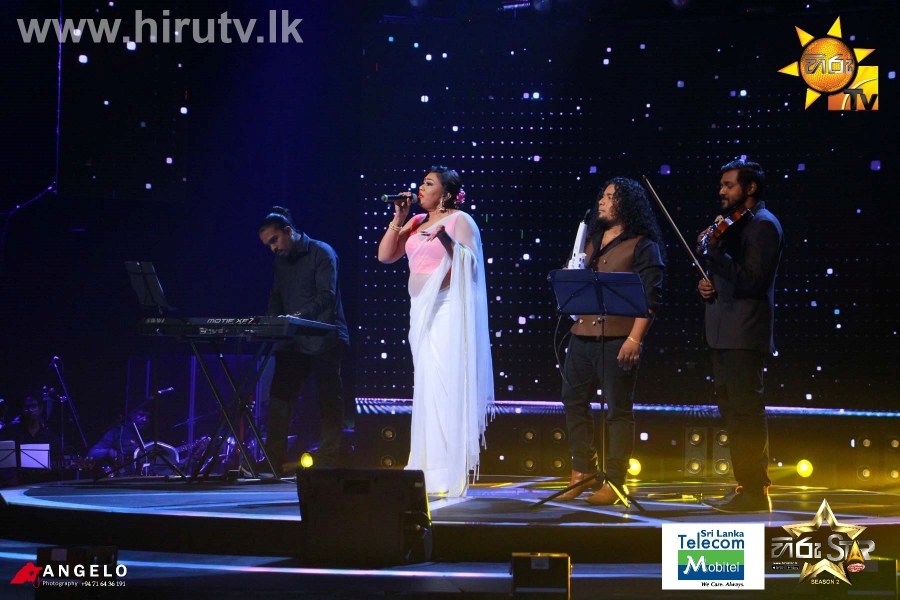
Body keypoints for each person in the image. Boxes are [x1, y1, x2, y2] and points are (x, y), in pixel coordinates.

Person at [377, 166, 494, 497]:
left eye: (429, 184)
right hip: (420, 310)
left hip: (446, 308)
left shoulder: (460, 220)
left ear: (446, 193)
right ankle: (425, 465)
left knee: (445, 385)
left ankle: (447, 468)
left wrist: (444, 238)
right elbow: (385, 256)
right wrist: (399, 217)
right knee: (426, 387)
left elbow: (471, 264)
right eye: (421, 183)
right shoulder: (415, 222)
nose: (421, 188)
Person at [557, 177, 665, 505]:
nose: (601, 202)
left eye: (609, 197)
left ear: (626, 205)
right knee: (573, 401)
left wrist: (635, 339)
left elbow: (650, 298)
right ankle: (582, 472)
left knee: (617, 409)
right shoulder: (590, 240)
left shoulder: (642, 245)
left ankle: (615, 481)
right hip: (582, 336)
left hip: (619, 338)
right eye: (601, 196)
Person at [698, 159, 783, 513]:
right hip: (724, 332)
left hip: (745, 333)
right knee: (733, 413)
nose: (721, 191)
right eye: (721, 185)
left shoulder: (763, 225)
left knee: (746, 413)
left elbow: (752, 281)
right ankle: (744, 485)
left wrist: (716, 254)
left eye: (728, 185)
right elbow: (730, 277)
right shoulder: (737, 225)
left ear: (750, 188)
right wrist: (708, 284)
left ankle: (756, 490)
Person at [258, 206, 350, 475]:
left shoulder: (322, 252)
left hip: (324, 338)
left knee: (328, 400)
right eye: (268, 245)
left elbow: (326, 296)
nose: (272, 248)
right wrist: (273, 322)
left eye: (274, 240)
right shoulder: (280, 262)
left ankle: (328, 460)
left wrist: (296, 317)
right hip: (293, 341)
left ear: (288, 231)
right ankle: (272, 460)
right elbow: (275, 296)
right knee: (279, 398)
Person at [0, 393, 62, 486]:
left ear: (40, 408)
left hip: (42, 485)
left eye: (33, 406)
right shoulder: (8, 432)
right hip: (14, 485)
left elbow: (57, 465)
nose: (29, 410)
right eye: (26, 407)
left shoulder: (51, 437)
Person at [87, 408, 150, 475]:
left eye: (147, 416)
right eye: (141, 415)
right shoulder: (117, 432)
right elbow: (92, 453)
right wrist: (108, 452)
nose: (145, 419)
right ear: (131, 414)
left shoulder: (151, 434)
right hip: (124, 476)